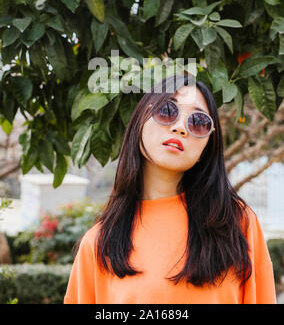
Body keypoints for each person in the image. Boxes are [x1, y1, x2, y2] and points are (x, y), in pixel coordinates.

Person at [64, 72, 277, 304]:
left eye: (197, 122)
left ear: (207, 146)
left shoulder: (237, 223)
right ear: (139, 122)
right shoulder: (99, 242)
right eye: (167, 111)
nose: (180, 128)